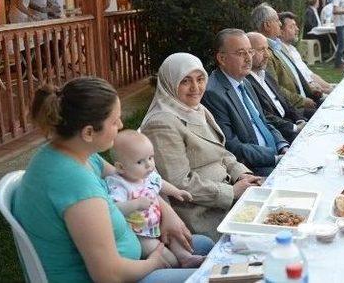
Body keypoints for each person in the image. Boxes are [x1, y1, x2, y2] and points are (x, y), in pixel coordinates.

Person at [13, 77, 213, 283]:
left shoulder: (75, 151)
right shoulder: (75, 185)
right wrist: (154, 262)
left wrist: (168, 213)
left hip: (136, 254)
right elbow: (108, 275)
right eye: (114, 120)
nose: (121, 124)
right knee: (217, 277)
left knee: (204, 245)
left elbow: (133, 179)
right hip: (121, 275)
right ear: (88, 132)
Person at [141, 53, 259, 241]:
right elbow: (179, 182)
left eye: (200, 79)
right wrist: (232, 192)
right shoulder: (161, 124)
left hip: (227, 197)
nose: (195, 88)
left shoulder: (196, 109)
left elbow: (220, 151)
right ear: (170, 83)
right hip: (200, 214)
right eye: (185, 81)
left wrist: (242, 174)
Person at [106, 130, 206, 268]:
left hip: (157, 225)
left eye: (150, 158)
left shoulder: (147, 175)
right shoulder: (120, 184)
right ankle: (173, 269)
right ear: (120, 167)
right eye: (140, 161)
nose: (149, 165)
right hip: (139, 233)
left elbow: (161, 183)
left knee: (174, 238)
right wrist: (135, 204)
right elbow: (114, 208)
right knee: (166, 257)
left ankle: (186, 258)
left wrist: (176, 192)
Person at [202, 29, 290, 176]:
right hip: (255, 168)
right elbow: (232, 146)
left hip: (277, 156)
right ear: (222, 58)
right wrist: (274, 158)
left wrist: (283, 146)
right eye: (241, 53)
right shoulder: (213, 93)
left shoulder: (245, 82)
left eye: (250, 52)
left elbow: (263, 122)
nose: (249, 58)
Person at [252, 4, 320, 115]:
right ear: (267, 25)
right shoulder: (264, 53)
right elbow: (274, 88)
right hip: (294, 109)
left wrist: (310, 90)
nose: (280, 24)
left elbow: (294, 76)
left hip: (306, 99)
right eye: (277, 20)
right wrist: (302, 101)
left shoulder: (277, 45)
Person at [247, 32, 307, 143]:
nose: (267, 55)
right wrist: (294, 128)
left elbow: (285, 101)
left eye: (267, 49)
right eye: (261, 50)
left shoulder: (265, 75)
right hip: (279, 134)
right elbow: (264, 115)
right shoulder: (246, 83)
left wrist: (299, 119)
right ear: (249, 53)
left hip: (291, 122)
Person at [279, 12, 333, 94]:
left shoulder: (292, 49)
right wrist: (324, 91)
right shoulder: (281, 53)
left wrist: (330, 88)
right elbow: (295, 82)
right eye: (292, 27)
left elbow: (310, 74)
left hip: (314, 89)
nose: (297, 29)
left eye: (296, 26)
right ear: (281, 32)